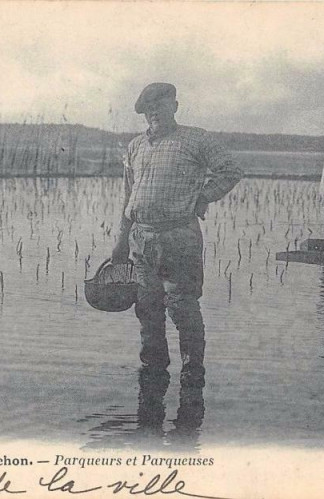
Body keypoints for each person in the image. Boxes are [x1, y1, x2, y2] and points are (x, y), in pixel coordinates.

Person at [111, 83, 242, 385]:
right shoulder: (135, 147)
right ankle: (153, 372)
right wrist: (120, 240)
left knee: (182, 306)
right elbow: (128, 196)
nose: (154, 112)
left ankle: (193, 373)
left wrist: (203, 197)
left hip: (179, 237)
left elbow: (231, 170)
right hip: (141, 239)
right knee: (147, 307)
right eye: (148, 108)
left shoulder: (196, 139)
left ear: (175, 106)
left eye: (161, 104)